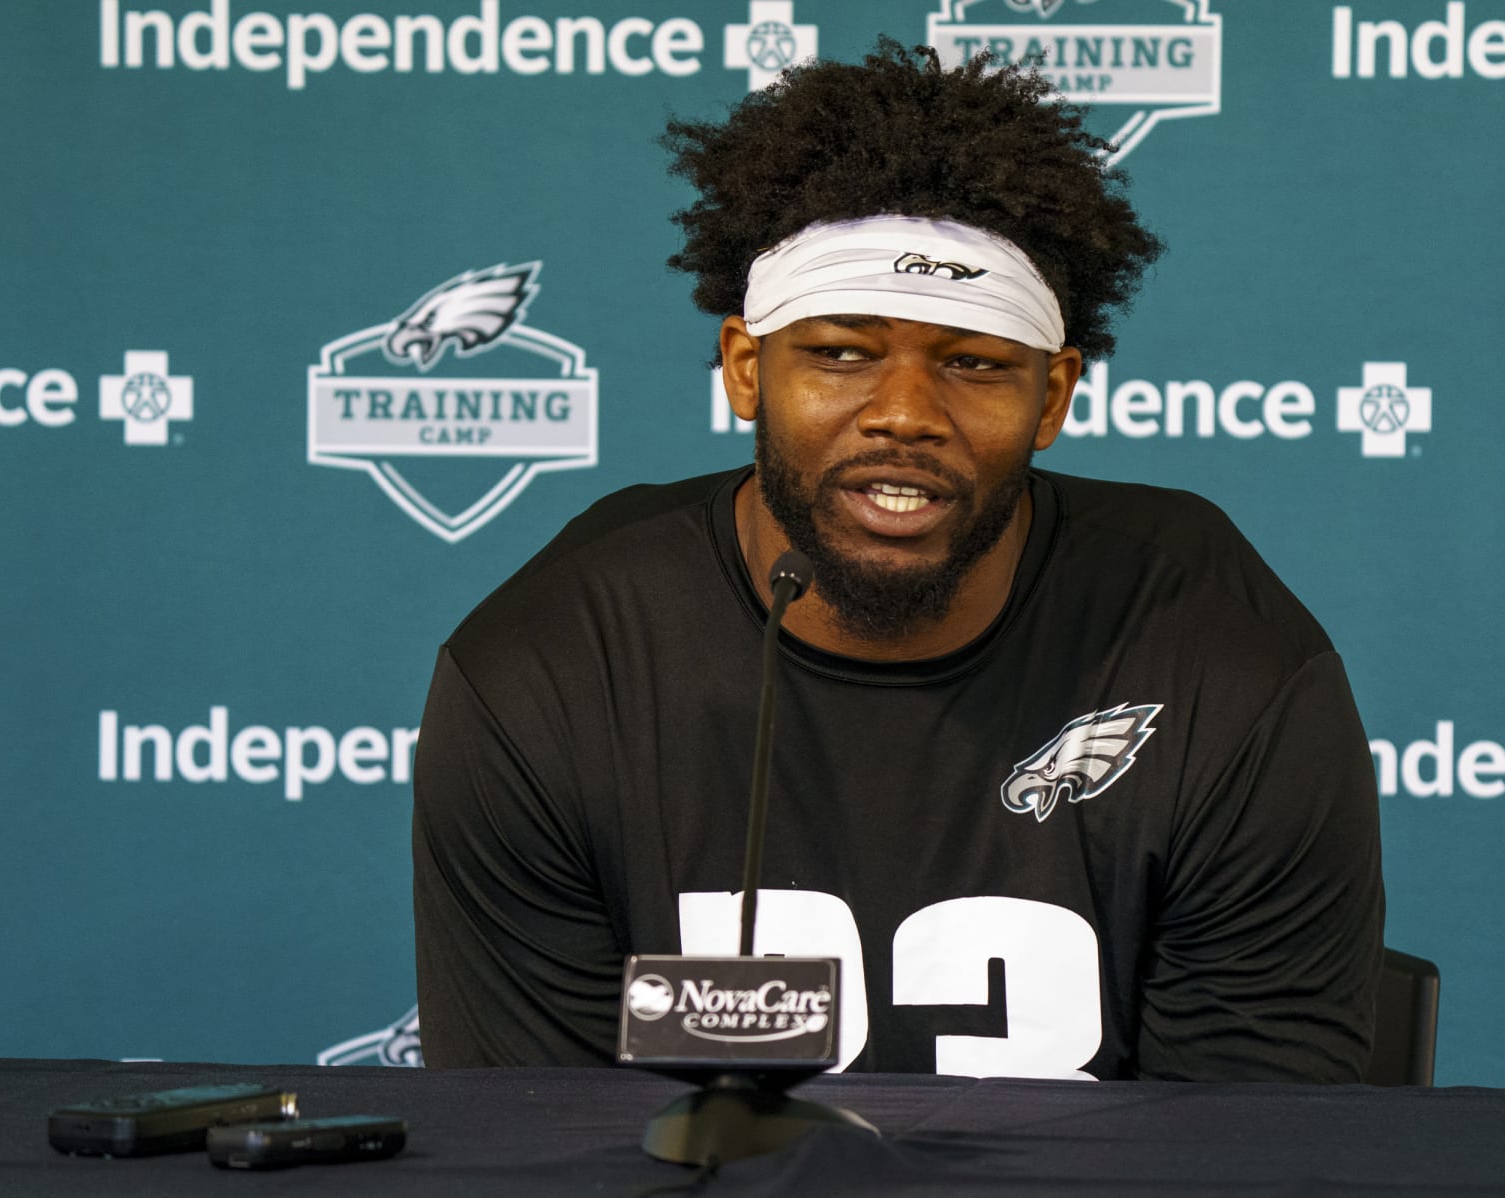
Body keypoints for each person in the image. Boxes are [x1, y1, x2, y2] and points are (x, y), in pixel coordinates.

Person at [412, 41, 1384, 1081]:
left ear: (1052, 398)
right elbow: (541, 1145)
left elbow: (1249, 1147)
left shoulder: (1221, 657)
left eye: (974, 365)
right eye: (841, 352)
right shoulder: (551, 669)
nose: (906, 415)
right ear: (747, 369)